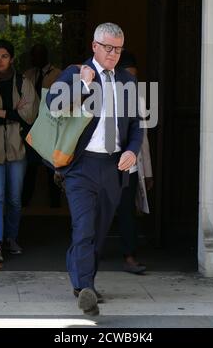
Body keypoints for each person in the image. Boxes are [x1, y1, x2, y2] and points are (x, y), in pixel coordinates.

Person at [46, 22, 143, 316]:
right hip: (82, 166)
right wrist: (83, 84)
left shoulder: (127, 81)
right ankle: (86, 286)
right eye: (108, 47)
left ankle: (81, 277)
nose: (113, 53)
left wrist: (132, 150)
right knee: (84, 226)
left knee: (99, 231)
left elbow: (137, 125)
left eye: (118, 48)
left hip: (113, 166)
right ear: (94, 47)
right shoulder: (76, 73)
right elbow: (53, 105)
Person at [0, 39, 39, 263]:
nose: (0, 60)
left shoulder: (22, 82)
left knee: (15, 199)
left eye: (4, 56)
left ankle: (11, 237)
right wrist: (11, 112)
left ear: (12, 59)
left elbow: (31, 112)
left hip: (18, 148)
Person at [117, 50, 154, 274]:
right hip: (101, 162)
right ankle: (92, 253)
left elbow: (143, 138)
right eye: (129, 76)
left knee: (127, 210)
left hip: (129, 164)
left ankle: (129, 256)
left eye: (135, 77)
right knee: (98, 209)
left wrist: (147, 171)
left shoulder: (138, 98)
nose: (132, 81)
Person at [22, 43, 61, 207]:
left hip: (50, 126)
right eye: (33, 55)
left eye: (37, 55)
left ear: (45, 56)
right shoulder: (28, 75)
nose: (34, 58)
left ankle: (55, 201)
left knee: (51, 166)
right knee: (30, 165)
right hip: (32, 125)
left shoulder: (58, 74)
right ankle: (26, 200)